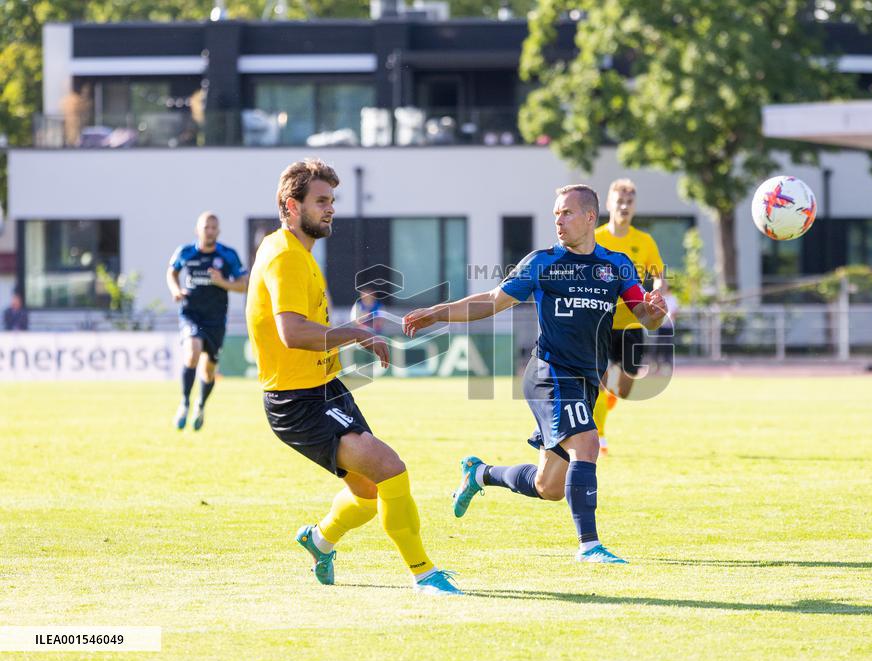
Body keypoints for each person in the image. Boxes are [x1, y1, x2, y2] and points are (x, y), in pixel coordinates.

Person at [403, 184, 667, 564]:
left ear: (590, 217)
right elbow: (493, 301)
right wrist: (438, 311)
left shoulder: (617, 265)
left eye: (567, 213)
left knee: (549, 486)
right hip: (549, 373)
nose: (558, 220)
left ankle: (481, 474)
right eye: (556, 213)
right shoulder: (542, 262)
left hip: (586, 381)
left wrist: (654, 312)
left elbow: (644, 316)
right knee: (587, 444)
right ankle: (590, 546)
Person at [245, 158, 461, 595]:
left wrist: (350, 337)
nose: (330, 209)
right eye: (321, 201)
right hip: (297, 401)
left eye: (332, 201)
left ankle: (319, 540)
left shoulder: (295, 251)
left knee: (366, 492)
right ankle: (424, 573)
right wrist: (355, 333)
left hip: (324, 389)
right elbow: (292, 333)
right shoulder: (285, 256)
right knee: (389, 468)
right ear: (292, 205)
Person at [592, 179, 668, 455]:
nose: (624, 206)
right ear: (609, 204)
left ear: (634, 206)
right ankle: (598, 436)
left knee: (624, 388)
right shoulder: (596, 237)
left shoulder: (643, 241)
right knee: (597, 381)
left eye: (629, 202)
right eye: (619, 201)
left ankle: (611, 394)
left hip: (632, 323)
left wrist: (656, 295)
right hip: (600, 321)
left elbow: (659, 276)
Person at [167, 212, 248, 430]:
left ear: (218, 231)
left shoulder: (228, 255)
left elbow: (244, 285)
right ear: (197, 230)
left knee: (209, 371)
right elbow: (171, 272)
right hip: (191, 312)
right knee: (192, 352)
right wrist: (176, 290)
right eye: (206, 227)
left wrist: (222, 282)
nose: (209, 231)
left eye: (213, 228)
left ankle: (200, 405)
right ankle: (184, 403)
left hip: (215, 319)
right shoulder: (185, 252)